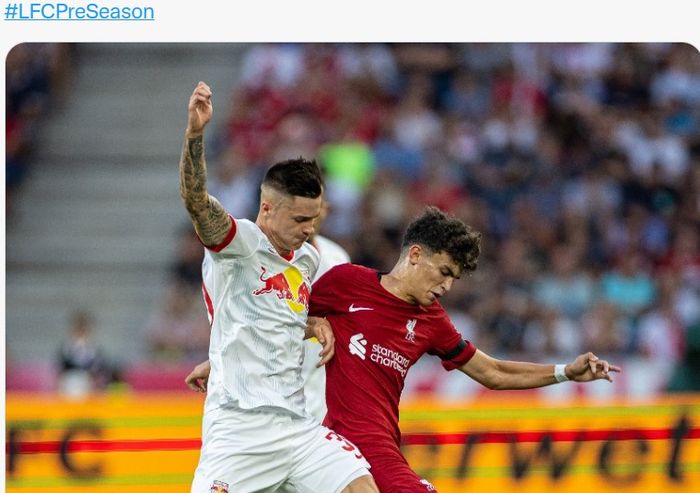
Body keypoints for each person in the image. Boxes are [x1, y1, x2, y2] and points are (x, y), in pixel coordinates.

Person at [187, 206, 620, 493]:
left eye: (455, 279)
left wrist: (565, 371)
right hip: (325, 441)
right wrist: (220, 359)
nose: (447, 286)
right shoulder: (345, 283)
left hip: (377, 449)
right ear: (415, 255)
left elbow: (492, 373)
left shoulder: (432, 322)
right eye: (444, 272)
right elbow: (275, 319)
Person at [180, 81, 378, 493]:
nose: (311, 231)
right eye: (301, 221)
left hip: (299, 426)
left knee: (361, 486)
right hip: (240, 429)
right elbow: (197, 200)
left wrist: (312, 322)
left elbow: (275, 312)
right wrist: (195, 136)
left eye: (316, 218)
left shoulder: (307, 258)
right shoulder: (238, 245)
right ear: (267, 208)